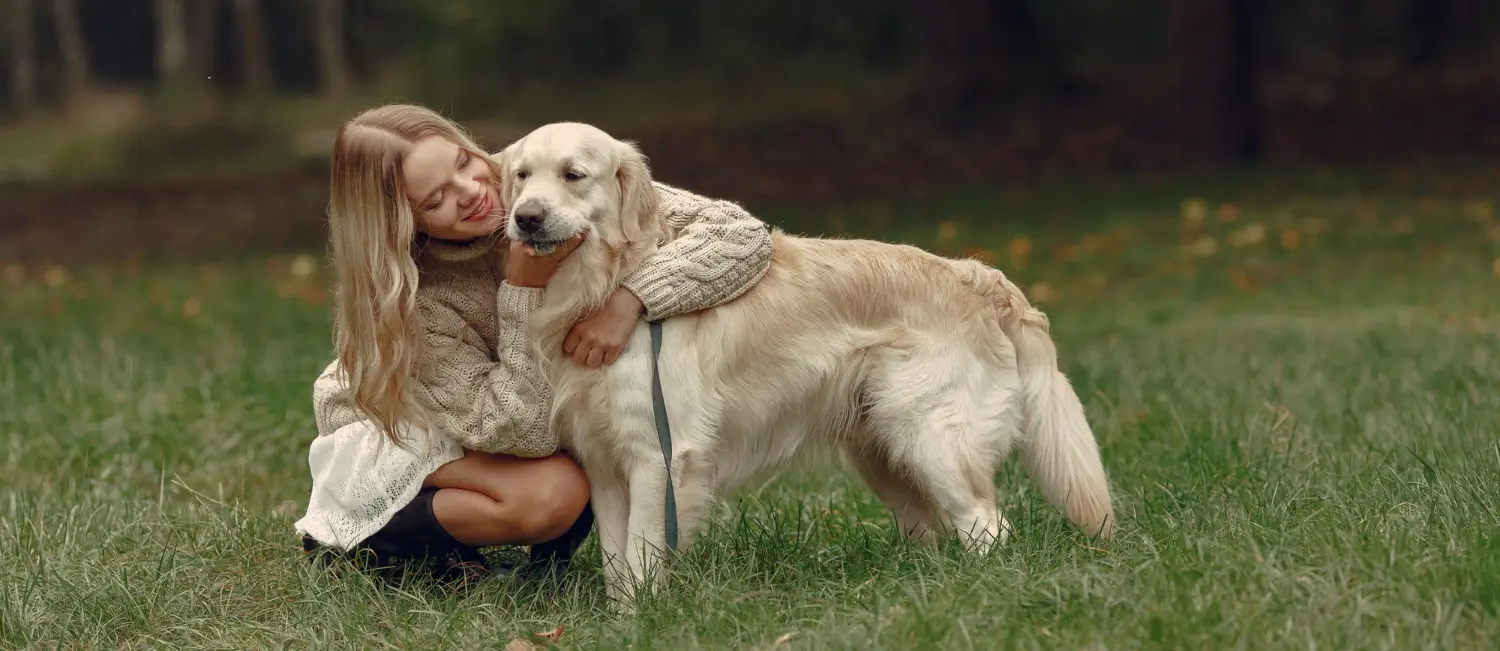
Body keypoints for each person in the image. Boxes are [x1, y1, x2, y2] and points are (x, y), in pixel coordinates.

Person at [293, 104, 773, 587]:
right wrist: (522, 292)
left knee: (598, 447)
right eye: (436, 198)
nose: (473, 193)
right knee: (556, 493)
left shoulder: (530, 176)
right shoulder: (415, 305)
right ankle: (366, 544)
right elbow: (520, 431)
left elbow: (741, 235)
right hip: (405, 433)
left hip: (498, 416)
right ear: (399, 221)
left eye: (463, 163)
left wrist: (632, 299)